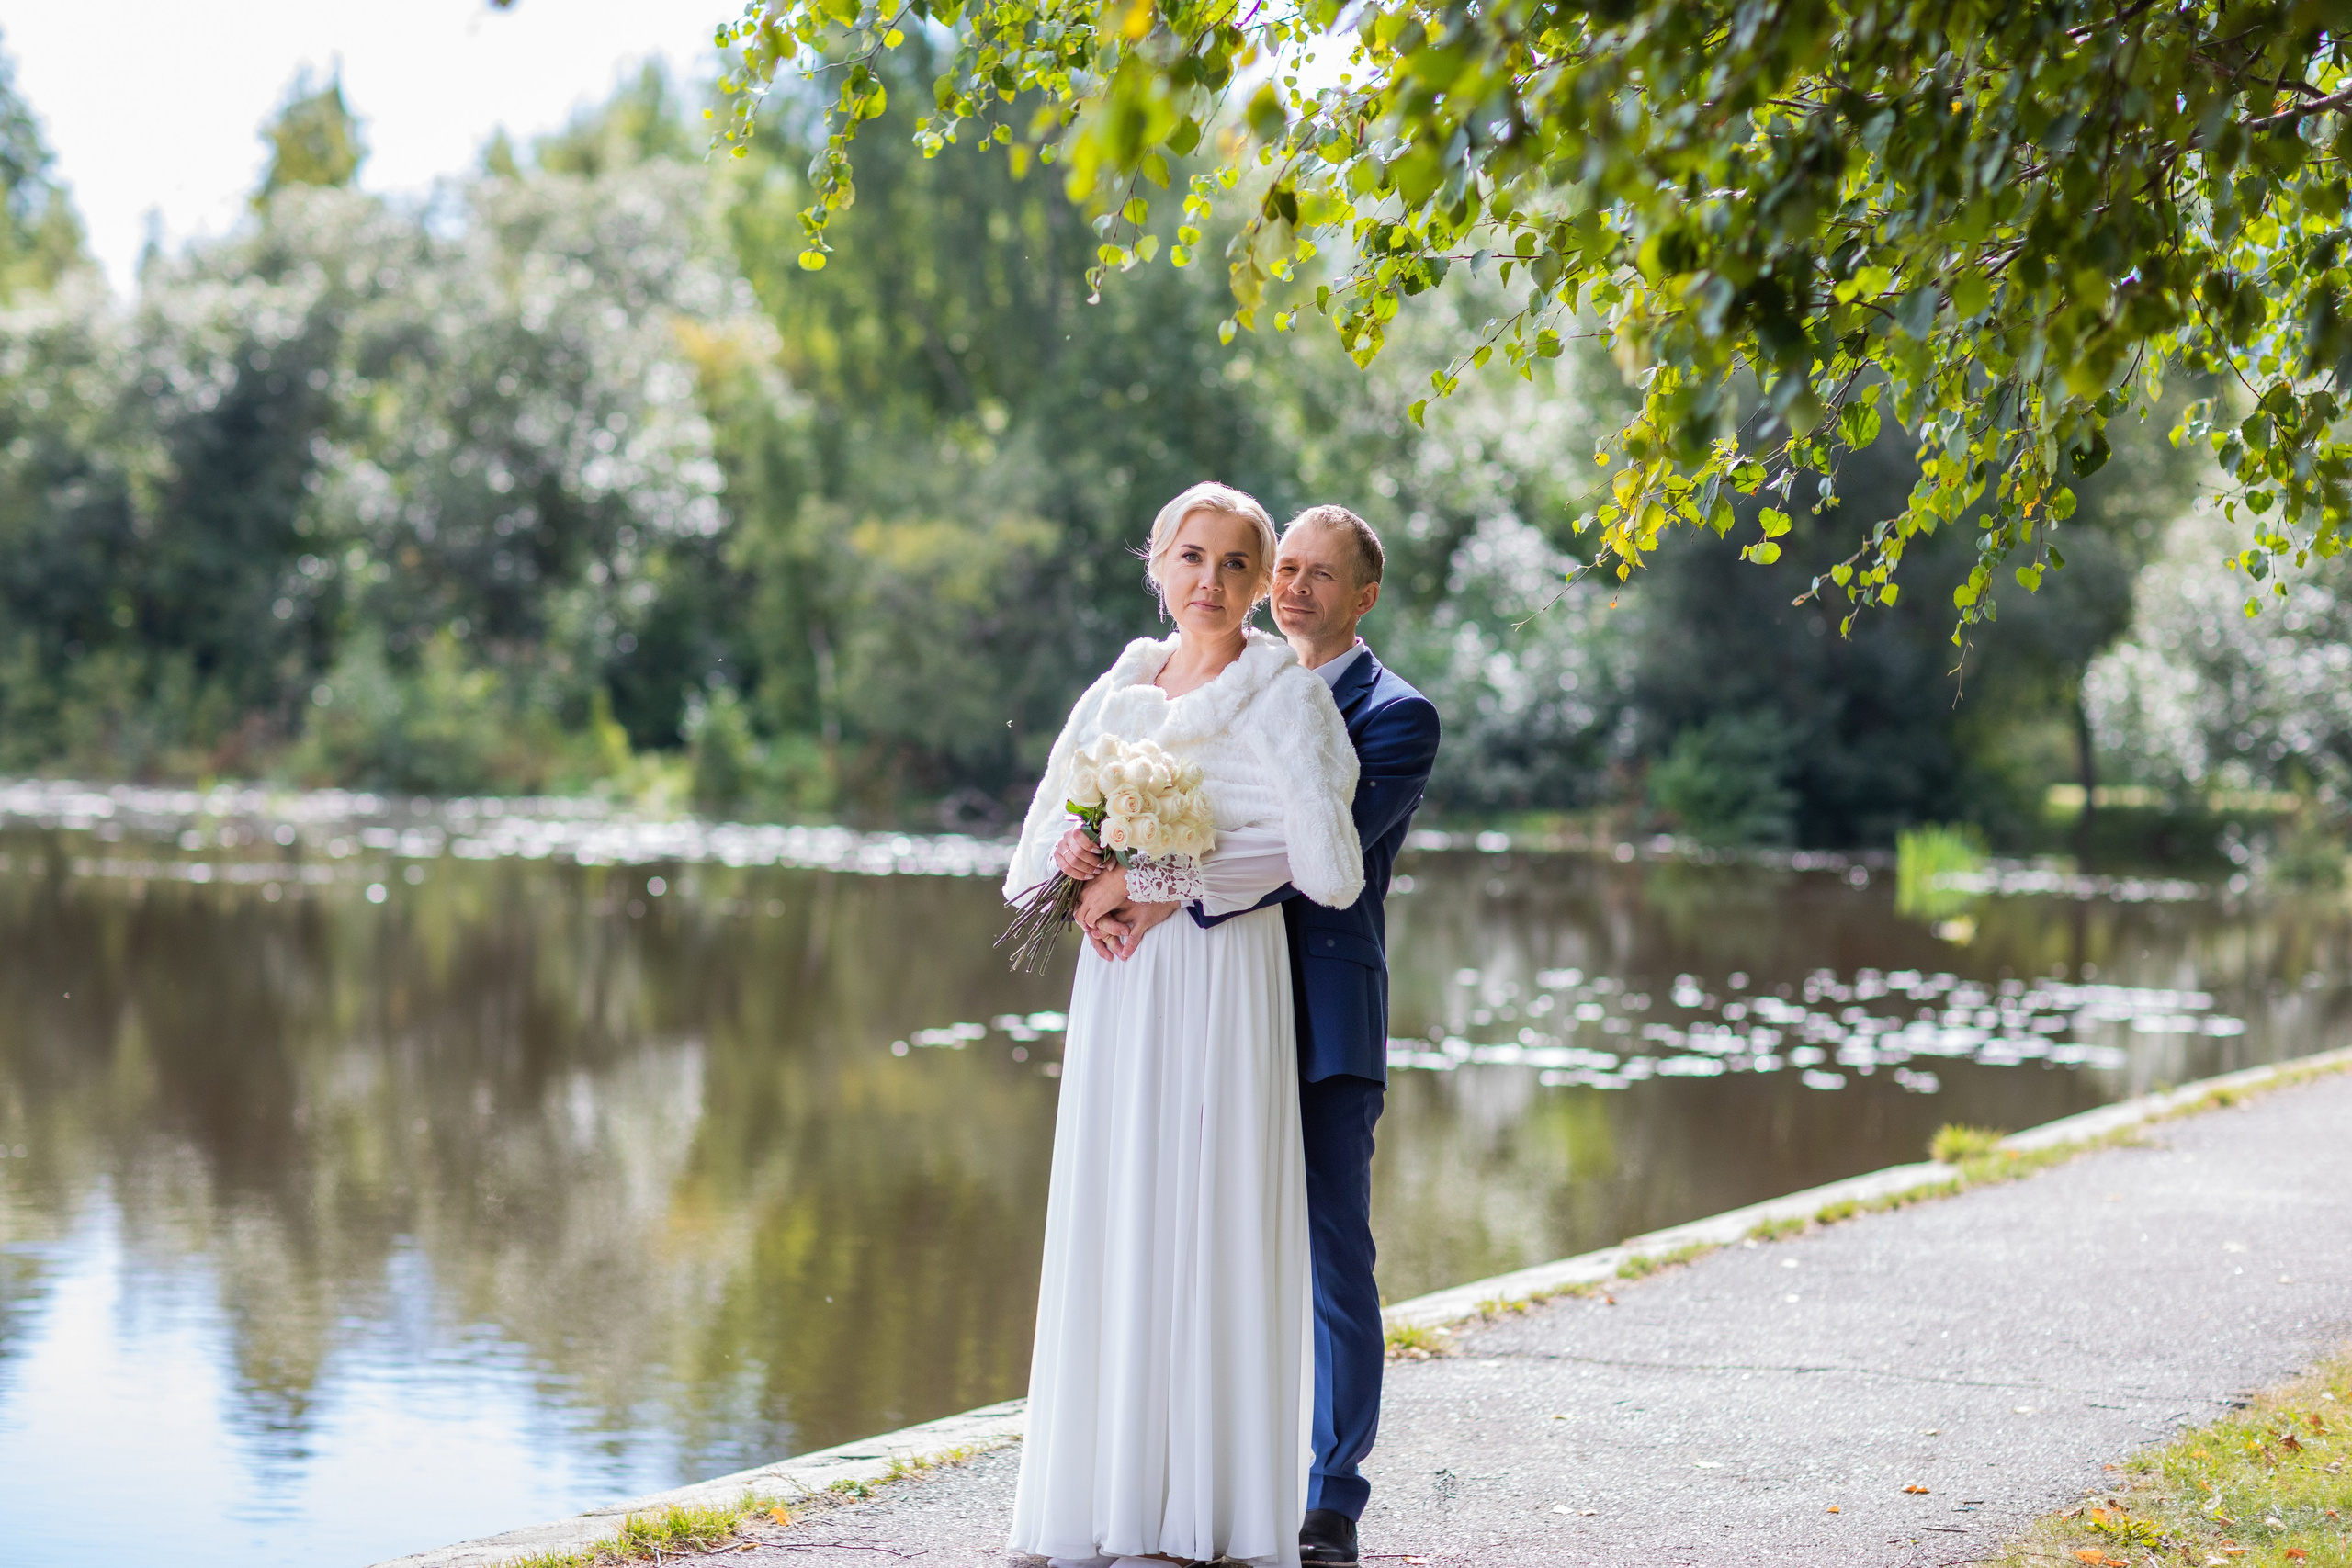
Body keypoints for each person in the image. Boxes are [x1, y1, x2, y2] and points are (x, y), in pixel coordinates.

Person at [1001, 480, 1365, 1568]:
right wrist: (1078, 874)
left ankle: (1204, 1509)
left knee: (1207, 1212)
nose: (1211, 581)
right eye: (1191, 556)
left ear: (1261, 586)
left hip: (1219, 983)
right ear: (1156, 566)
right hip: (1120, 993)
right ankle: (1106, 1500)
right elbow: (1024, 867)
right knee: (1121, 1212)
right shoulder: (1114, 695)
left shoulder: (1283, 695)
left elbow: (1330, 873)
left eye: (1237, 564)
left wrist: (1159, 874)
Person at [1075, 505, 1441, 1567]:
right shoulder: (1225, 681)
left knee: (1332, 1255)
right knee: (1188, 1236)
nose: (1292, 590)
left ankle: (1330, 1496)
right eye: (1282, 569)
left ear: (1363, 598)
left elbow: (1300, 848)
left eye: (1321, 577)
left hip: (1317, 1011)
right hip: (1202, 997)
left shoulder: (1396, 716)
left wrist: (1148, 879)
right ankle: (1193, 1479)